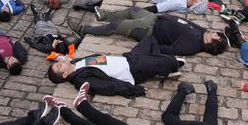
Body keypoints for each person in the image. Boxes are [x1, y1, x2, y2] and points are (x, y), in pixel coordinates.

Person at [47, 36, 183, 96]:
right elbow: (108, 87)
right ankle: (159, 66)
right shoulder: (81, 80)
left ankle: (156, 70)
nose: (60, 63)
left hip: (128, 58)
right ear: (65, 75)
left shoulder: (77, 63)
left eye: (57, 64)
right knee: (173, 62)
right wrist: (135, 90)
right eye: (59, 67)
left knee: (150, 40)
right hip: (133, 69)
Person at [67, 6, 230, 56]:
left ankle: (83, 30)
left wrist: (148, 41)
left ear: (211, 41)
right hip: (153, 18)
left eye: (216, 35)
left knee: (117, 26)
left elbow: (169, 50)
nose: (214, 32)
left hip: (148, 29)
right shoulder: (202, 32)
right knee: (133, 10)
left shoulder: (192, 45)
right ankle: (104, 15)